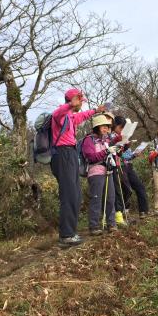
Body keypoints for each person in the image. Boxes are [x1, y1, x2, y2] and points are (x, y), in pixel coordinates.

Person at [51, 88, 105, 248]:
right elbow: (57, 113)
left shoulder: (71, 117)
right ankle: (66, 235)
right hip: (62, 154)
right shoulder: (61, 115)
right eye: (81, 101)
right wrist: (70, 104)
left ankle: (71, 232)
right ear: (74, 100)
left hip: (71, 154)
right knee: (68, 195)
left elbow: (82, 116)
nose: (82, 104)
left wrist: (95, 111)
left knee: (75, 194)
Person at [81, 115, 118, 236]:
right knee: (96, 198)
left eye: (107, 126)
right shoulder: (89, 140)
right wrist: (106, 151)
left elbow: (111, 154)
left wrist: (116, 150)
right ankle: (94, 226)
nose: (106, 128)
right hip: (95, 171)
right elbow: (91, 157)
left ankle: (111, 223)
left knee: (110, 198)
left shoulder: (107, 140)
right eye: (103, 126)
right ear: (96, 127)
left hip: (108, 170)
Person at [111, 116, 150, 219]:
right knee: (126, 189)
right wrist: (126, 149)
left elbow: (125, 154)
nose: (122, 130)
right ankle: (123, 211)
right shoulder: (111, 137)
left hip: (128, 165)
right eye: (121, 127)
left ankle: (143, 211)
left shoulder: (124, 136)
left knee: (139, 186)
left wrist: (133, 153)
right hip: (119, 166)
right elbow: (118, 154)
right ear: (115, 125)